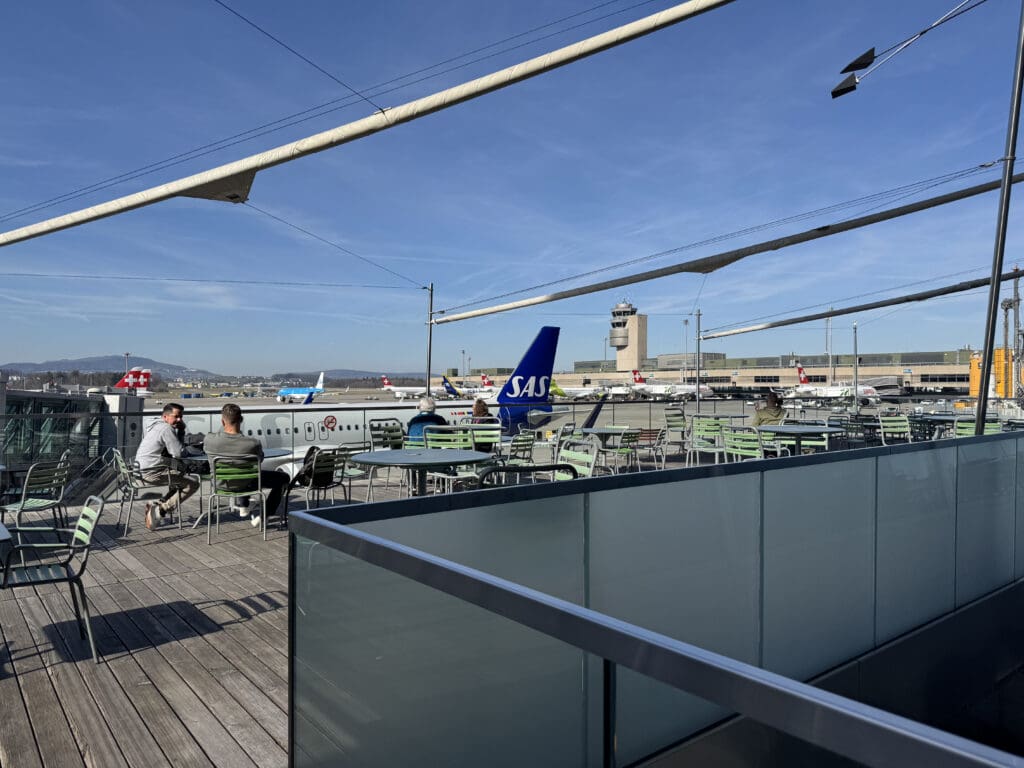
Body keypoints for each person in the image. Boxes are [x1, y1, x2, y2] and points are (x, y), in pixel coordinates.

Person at [204, 402, 290, 529]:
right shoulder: (252, 443)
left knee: (240, 475)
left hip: (220, 484)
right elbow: (259, 460)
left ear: (222, 422)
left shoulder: (209, 439)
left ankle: (244, 505)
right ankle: (264, 515)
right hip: (246, 484)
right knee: (283, 478)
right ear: (241, 420)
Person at [137, 402, 201, 530]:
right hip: (151, 474)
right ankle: (161, 510)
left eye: (181, 417)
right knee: (193, 484)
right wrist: (182, 431)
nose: (180, 419)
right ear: (165, 417)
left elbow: (175, 450)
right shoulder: (166, 429)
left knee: (180, 473)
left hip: (140, 471)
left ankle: (159, 504)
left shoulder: (156, 426)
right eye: (176, 416)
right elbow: (178, 453)